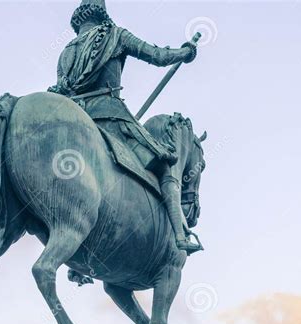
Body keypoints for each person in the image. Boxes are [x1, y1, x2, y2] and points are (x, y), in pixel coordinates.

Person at [50, 0, 201, 254]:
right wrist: (184, 53)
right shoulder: (116, 34)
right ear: (103, 14)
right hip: (111, 118)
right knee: (165, 163)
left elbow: (63, 90)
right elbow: (157, 56)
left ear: (79, 20)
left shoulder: (66, 51)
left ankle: (76, 264)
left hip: (77, 119)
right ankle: (180, 235)